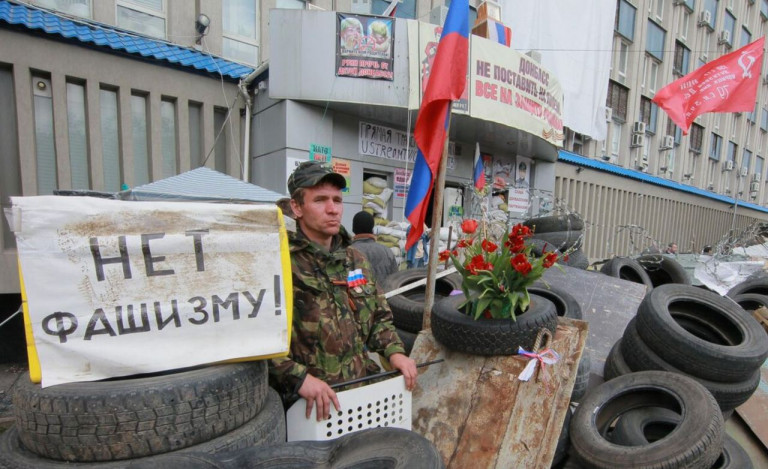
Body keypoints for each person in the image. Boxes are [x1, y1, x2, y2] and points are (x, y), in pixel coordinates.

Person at [269, 161, 417, 422]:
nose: (332, 209)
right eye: (320, 200)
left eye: (337, 200)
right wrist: (299, 377)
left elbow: (379, 319)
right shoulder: (278, 263)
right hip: (306, 408)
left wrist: (395, 353)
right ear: (296, 207)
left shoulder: (355, 260)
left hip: (360, 396)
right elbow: (259, 341)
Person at [351, 211, 398, 284]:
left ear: (353, 229)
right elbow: (395, 280)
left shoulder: (348, 252)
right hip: (386, 294)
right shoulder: (387, 251)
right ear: (372, 229)